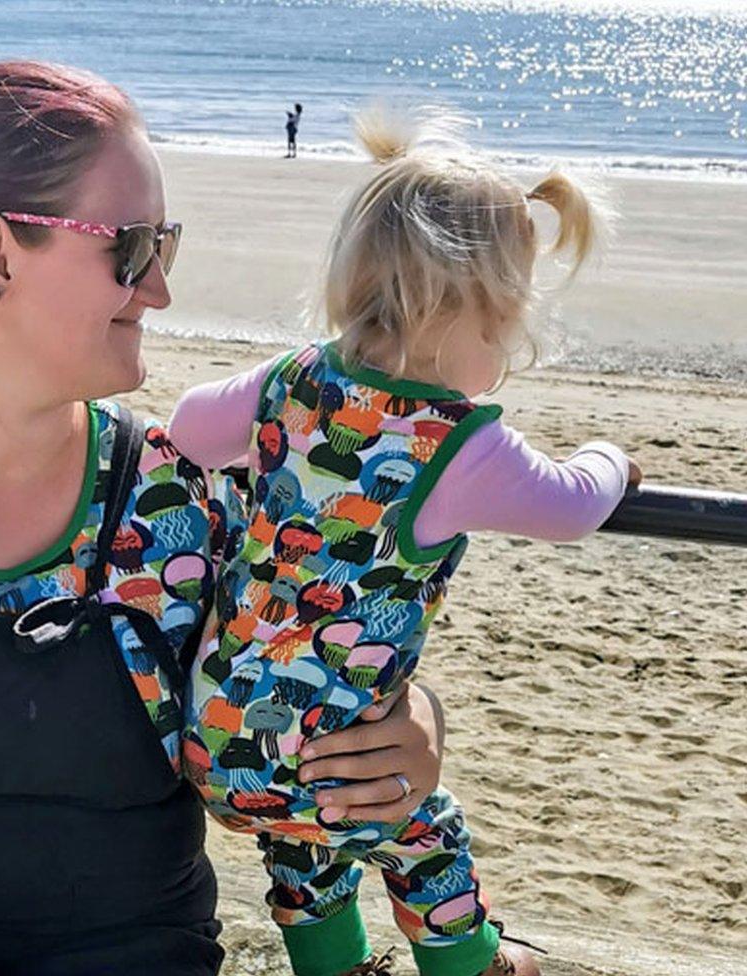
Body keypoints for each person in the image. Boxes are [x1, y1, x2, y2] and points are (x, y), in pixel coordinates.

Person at [0, 65, 448, 976]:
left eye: (168, 244)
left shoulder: (181, 495)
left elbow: (301, 694)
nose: (160, 288)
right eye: (129, 249)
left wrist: (414, 732)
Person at [169, 108, 643, 976]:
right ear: (480, 311)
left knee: (304, 842)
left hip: (213, 731)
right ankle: (473, 968)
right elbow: (574, 507)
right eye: (506, 331)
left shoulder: (290, 380)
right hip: (339, 745)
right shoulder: (457, 443)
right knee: (425, 839)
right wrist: (611, 458)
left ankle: (335, 964)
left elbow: (189, 428)